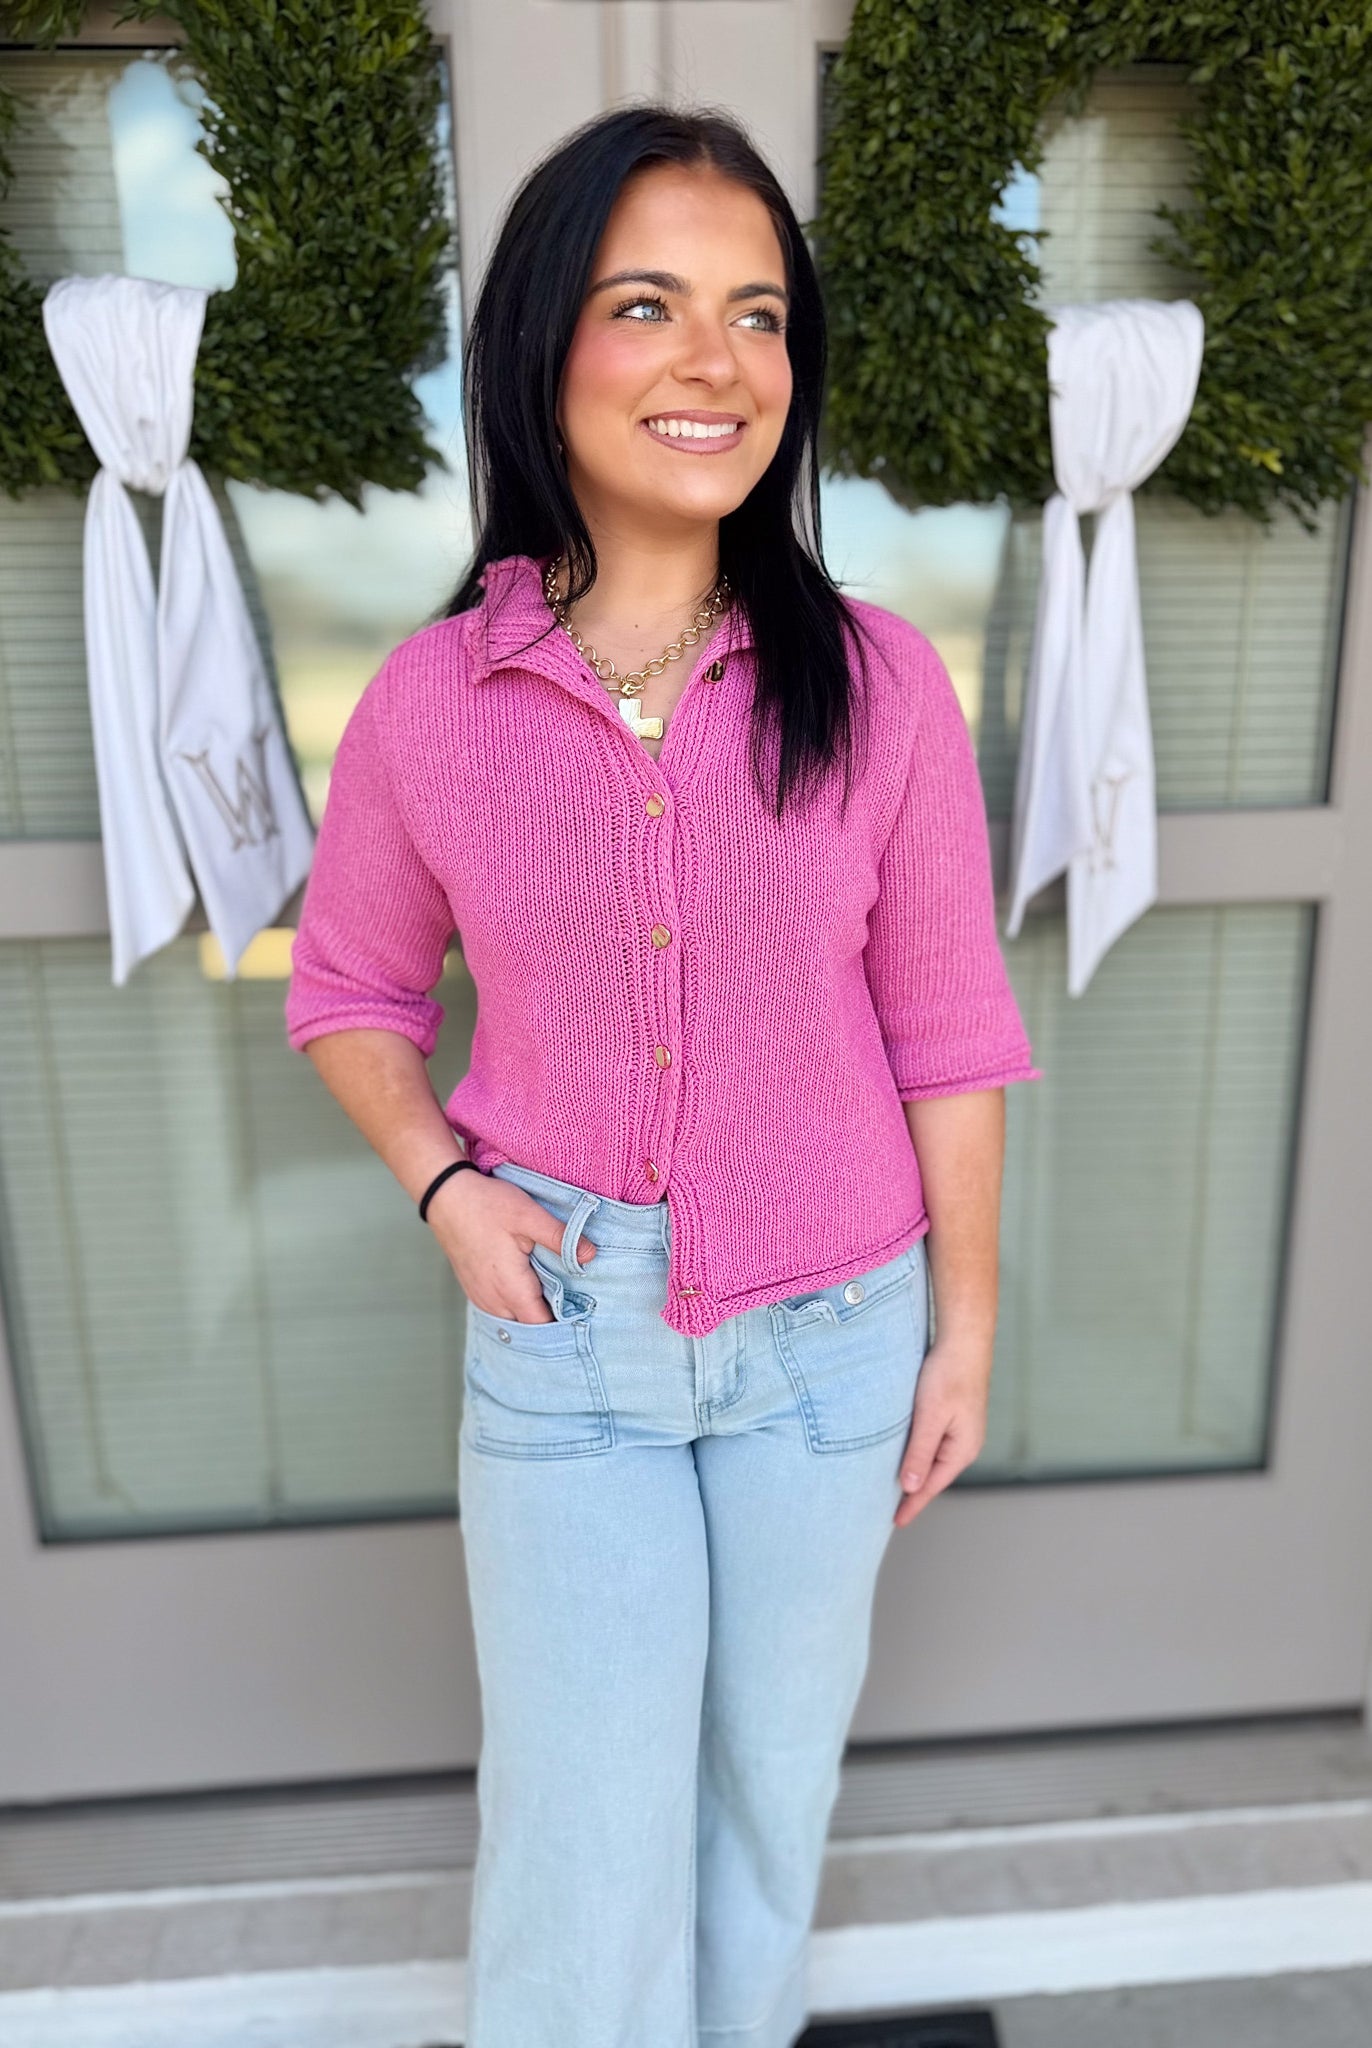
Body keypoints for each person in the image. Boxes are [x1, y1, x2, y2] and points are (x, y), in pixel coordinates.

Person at [284, 102, 1041, 2048]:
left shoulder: (876, 683)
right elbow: (351, 991)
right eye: (648, 305)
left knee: (763, 1799)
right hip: (564, 1337)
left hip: (837, 1338)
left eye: (757, 314)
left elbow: (948, 1023)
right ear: (543, 347)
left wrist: (962, 1327)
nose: (717, 362)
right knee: (581, 1831)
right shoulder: (434, 703)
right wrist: (447, 1189)